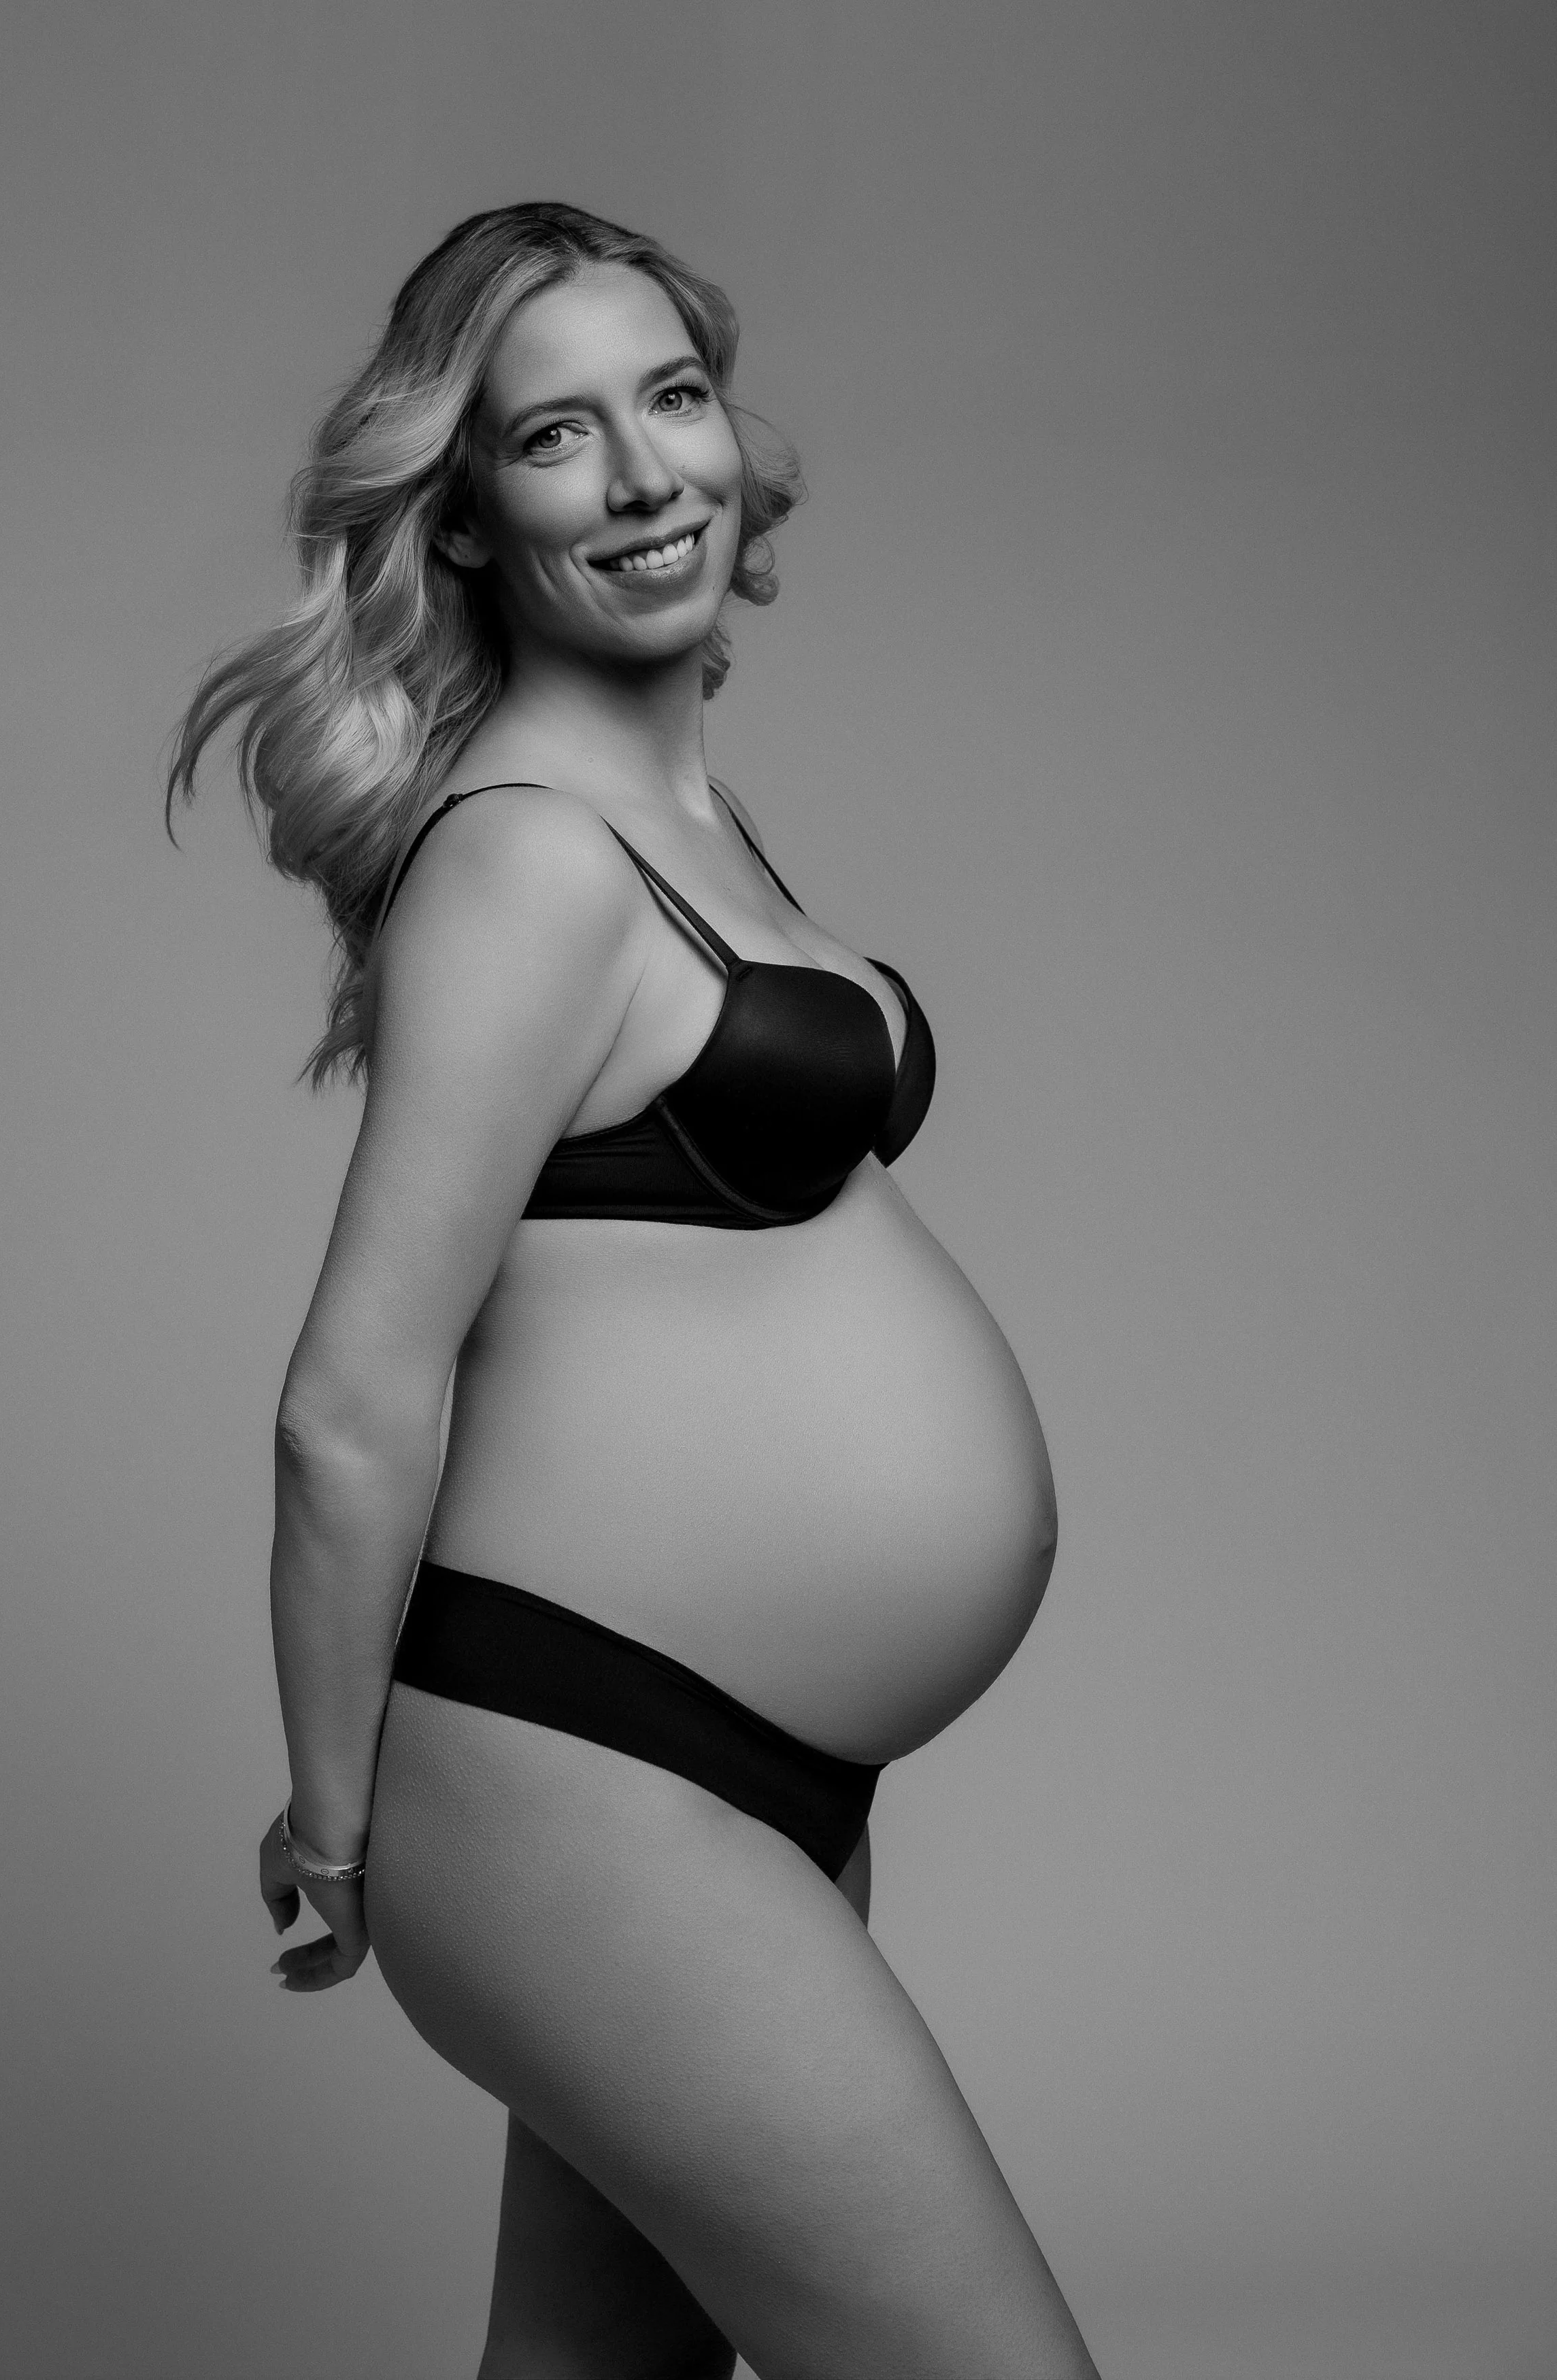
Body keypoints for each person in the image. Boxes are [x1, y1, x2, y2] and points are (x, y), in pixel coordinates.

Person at [169, 201, 1098, 2380]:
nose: (642, 471)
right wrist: (336, 1817)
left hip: (728, 1785)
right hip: (585, 1785)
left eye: (668, 396)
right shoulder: (524, 856)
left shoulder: (686, 817)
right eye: (552, 434)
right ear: (466, 518)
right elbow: (355, 1396)